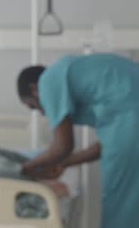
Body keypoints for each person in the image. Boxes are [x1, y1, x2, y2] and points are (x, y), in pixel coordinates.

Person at [17, 53, 139, 228]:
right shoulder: (82, 79)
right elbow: (105, 145)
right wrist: (64, 164)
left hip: (134, 126)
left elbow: (63, 147)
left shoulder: (48, 81)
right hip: (132, 129)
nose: (43, 113)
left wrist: (24, 168)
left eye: (33, 106)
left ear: (34, 89)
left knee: (120, 205)